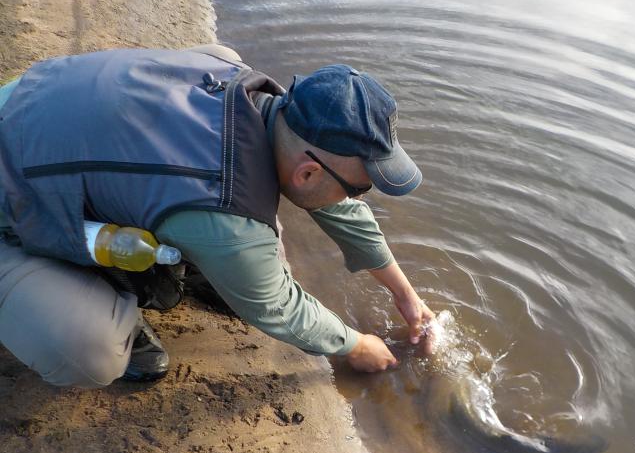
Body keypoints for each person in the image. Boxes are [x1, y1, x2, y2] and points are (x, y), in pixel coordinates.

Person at [0, 44, 435, 388]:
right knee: (89, 350)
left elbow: (337, 206)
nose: (356, 197)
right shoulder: (226, 209)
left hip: (27, 105)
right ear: (307, 172)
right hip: (12, 198)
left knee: (219, 54)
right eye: (359, 187)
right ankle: (112, 314)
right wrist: (355, 345)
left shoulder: (241, 84)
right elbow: (277, 305)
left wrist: (404, 293)